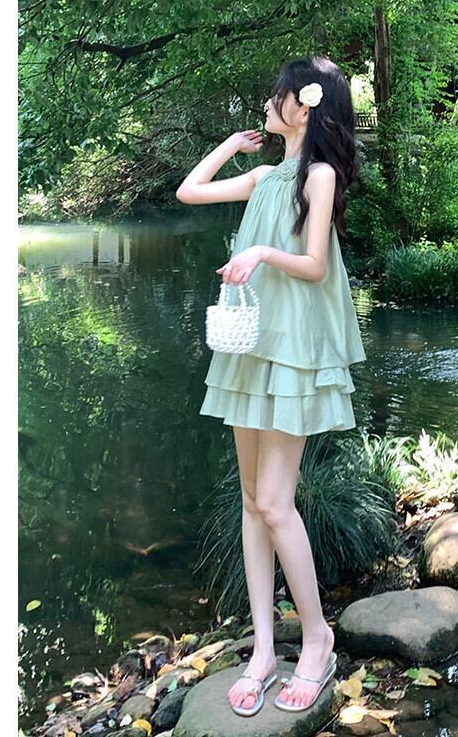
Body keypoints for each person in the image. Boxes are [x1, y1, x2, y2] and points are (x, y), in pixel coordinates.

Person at [175, 56, 366, 716]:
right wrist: (232, 146)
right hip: (251, 346)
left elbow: (314, 266)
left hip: (292, 350)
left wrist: (258, 252)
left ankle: (317, 639)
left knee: (277, 503)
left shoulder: (319, 175)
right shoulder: (263, 176)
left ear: (304, 106)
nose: (266, 101)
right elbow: (189, 192)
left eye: (276, 94)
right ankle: (262, 649)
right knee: (253, 502)